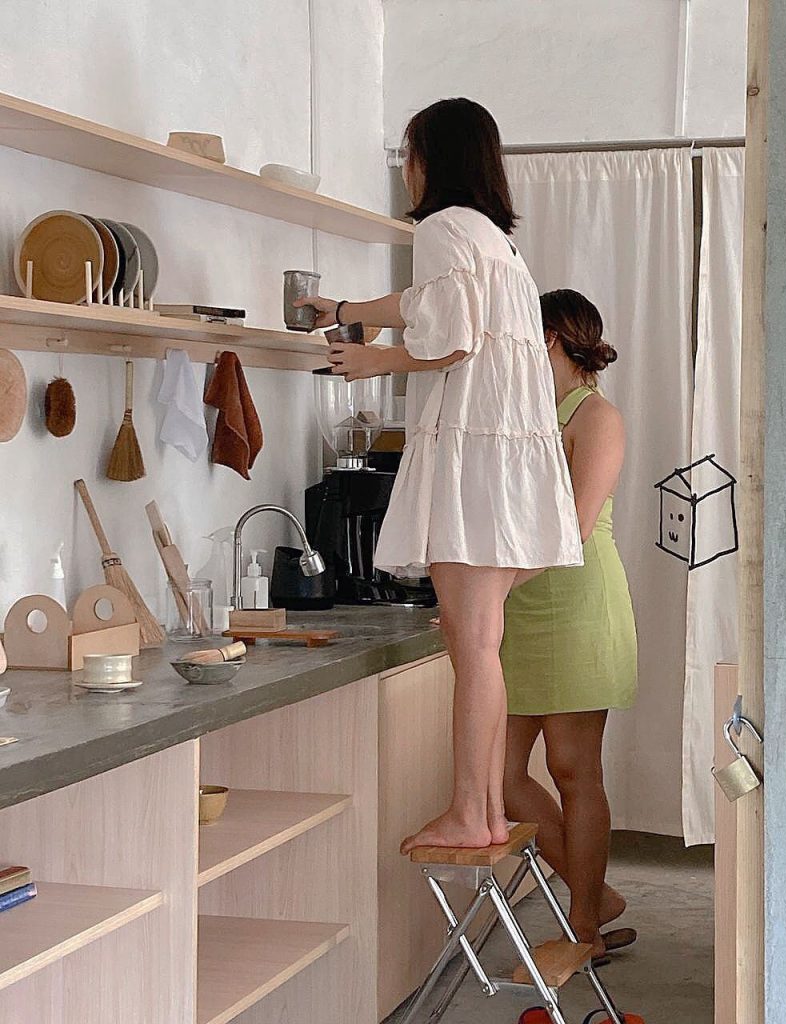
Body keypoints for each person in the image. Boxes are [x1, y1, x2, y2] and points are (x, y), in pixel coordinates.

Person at [297, 100, 583, 852]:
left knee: (472, 646)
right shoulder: (495, 243)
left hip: (473, 463)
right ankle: (484, 809)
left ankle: (472, 811)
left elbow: (448, 338)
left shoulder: (437, 228)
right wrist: (349, 308)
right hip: (506, 466)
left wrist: (374, 358)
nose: (405, 169)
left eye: (409, 153)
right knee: (481, 643)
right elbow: (434, 308)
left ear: (433, 158)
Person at [500, 289, 638, 957]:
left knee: (573, 768)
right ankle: (596, 891)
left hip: (579, 603)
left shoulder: (598, 416)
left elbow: (575, 529)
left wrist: (486, 590)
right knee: (498, 777)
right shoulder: (533, 414)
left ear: (551, 337)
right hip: (523, 605)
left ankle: (584, 920)